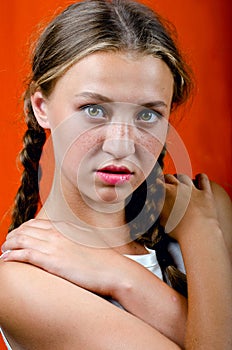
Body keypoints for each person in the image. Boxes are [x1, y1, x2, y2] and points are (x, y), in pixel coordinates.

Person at [0, 0, 231, 349]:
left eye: (147, 115)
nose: (122, 146)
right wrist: (202, 236)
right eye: (94, 109)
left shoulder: (208, 208)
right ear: (42, 107)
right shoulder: (20, 283)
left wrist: (118, 273)